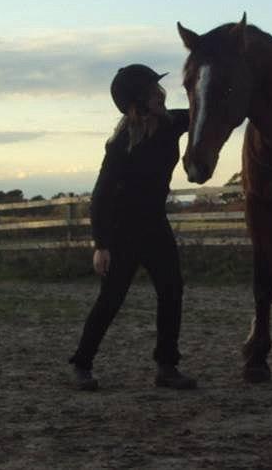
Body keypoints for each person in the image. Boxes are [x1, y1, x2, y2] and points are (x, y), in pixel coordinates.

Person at [68, 64, 196, 391]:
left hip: (155, 224)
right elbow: (101, 195)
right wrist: (101, 244)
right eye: (153, 90)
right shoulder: (122, 143)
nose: (159, 93)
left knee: (172, 291)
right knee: (111, 299)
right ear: (137, 99)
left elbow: (204, 111)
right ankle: (82, 363)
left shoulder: (170, 124)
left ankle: (166, 366)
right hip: (121, 229)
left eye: (159, 89)